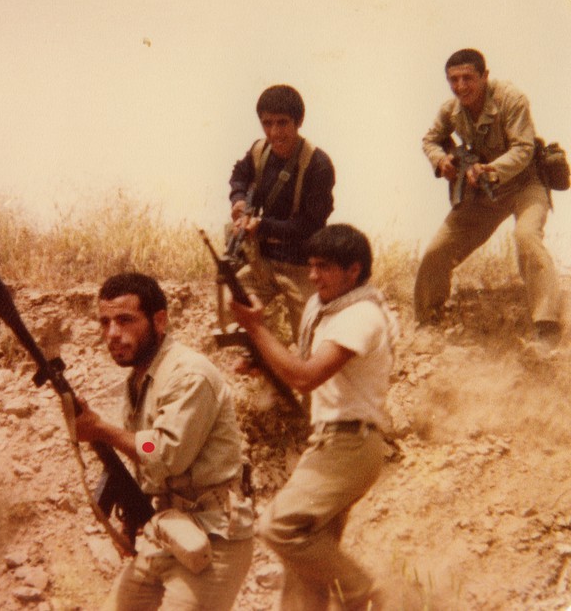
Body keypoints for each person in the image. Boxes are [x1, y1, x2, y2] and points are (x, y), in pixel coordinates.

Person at [231, 224, 397, 610]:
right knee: (306, 564)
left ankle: (363, 590)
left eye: (324, 267)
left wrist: (256, 329)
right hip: (332, 440)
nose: (313, 275)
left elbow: (306, 377)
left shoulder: (362, 315)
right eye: (311, 265)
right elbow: (305, 368)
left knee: (280, 526)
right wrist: (265, 363)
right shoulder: (325, 310)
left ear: (353, 270)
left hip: (350, 444)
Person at [75, 272, 254, 611]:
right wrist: (131, 522)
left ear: (159, 320)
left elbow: (160, 451)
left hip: (213, 538)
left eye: (125, 320)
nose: (112, 334)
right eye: (105, 322)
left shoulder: (188, 375)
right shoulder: (140, 379)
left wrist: (101, 430)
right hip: (167, 530)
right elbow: (146, 456)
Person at [415, 48, 562, 351]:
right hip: (484, 190)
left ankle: (547, 325)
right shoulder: (451, 110)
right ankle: (429, 321)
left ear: (484, 76)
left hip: (525, 183)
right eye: (453, 79)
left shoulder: (512, 99)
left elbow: (523, 150)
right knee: (437, 251)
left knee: (526, 237)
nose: (461, 86)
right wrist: (441, 160)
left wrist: (491, 169)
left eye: (468, 78)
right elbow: (430, 139)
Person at [225, 84, 335, 346]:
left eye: (282, 123)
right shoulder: (259, 151)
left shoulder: (318, 165)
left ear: (298, 122)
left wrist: (262, 226)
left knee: (310, 339)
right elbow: (239, 174)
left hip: (302, 266)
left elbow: (310, 225)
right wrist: (238, 200)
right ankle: (259, 350)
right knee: (231, 301)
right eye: (267, 123)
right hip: (264, 262)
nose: (274, 132)